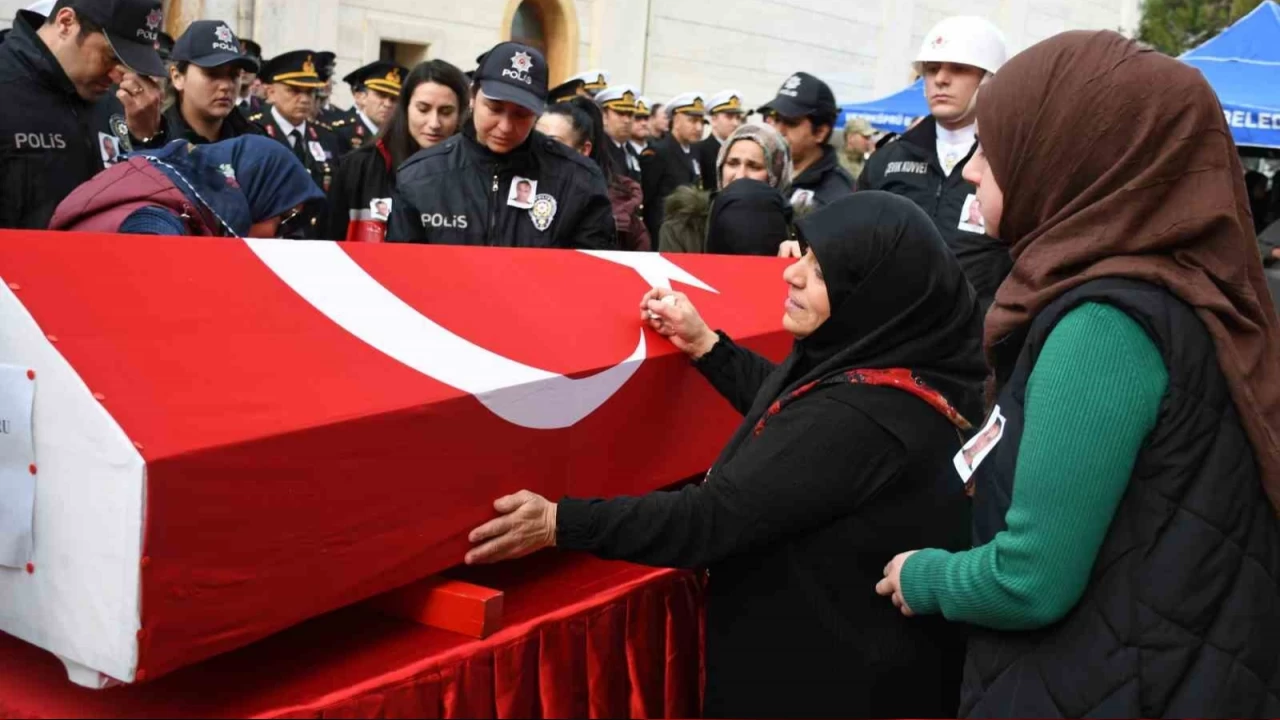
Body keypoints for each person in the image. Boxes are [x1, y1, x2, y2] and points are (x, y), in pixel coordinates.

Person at [874, 31, 1280, 718]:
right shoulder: (1179, 287)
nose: (972, 171)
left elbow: (1029, 580)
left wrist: (925, 576)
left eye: (995, 148)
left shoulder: (1103, 326)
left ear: (1070, 160)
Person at [464, 192, 987, 718]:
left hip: (823, 682)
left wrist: (558, 522)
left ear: (870, 297)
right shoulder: (901, 366)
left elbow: (708, 519)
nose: (792, 275)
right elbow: (795, 413)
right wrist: (707, 346)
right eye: (803, 255)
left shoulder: (863, 421)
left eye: (820, 273)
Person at [387, 42, 616, 249]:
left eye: (521, 114)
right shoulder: (419, 177)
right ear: (473, 97)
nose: (505, 127)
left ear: (538, 113)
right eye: (494, 109)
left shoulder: (579, 180)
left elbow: (594, 273)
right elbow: (401, 271)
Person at [858, 16, 1010, 312]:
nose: (940, 79)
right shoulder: (887, 158)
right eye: (932, 68)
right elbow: (849, 238)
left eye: (959, 68)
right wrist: (802, 244)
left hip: (978, 333)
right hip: (889, 327)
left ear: (990, 78)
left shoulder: (1010, 163)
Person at [0, 0, 167, 229]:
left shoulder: (116, 99)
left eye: (129, 64)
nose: (117, 76)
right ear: (66, 22)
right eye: (111, 57)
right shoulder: (7, 86)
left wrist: (147, 139)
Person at [49, 135, 323, 237]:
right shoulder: (156, 225)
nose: (280, 236)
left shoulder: (184, 205)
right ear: (258, 197)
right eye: (286, 218)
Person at [325, 59, 469, 242]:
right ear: (405, 108)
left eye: (446, 112)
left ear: (460, 114)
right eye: (423, 109)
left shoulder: (473, 174)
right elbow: (326, 244)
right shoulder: (358, 168)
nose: (434, 123)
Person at [659, 122, 793, 254]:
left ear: (776, 174)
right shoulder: (684, 228)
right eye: (732, 163)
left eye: (754, 166)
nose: (740, 175)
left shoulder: (797, 232)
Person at [538, 95, 650, 251]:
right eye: (535, 139)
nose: (540, 148)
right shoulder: (517, 189)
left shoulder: (620, 210)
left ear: (584, 149)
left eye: (553, 142)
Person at [248, 49, 341, 236]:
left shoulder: (327, 137)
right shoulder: (252, 132)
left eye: (310, 92)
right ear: (271, 92)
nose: (304, 99)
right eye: (294, 90)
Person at [758, 72, 854, 210]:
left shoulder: (837, 196)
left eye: (791, 122)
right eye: (776, 119)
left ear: (820, 132)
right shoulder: (764, 173)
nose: (778, 130)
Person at [164, 21, 264, 145]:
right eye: (213, 74)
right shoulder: (152, 143)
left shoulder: (255, 143)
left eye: (234, 75)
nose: (226, 86)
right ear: (177, 77)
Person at [640, 92, 705, 241]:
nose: (699, 127)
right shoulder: (658, 152)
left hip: (689, 232)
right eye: (692, 121)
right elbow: (648, 199)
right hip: (663, 233)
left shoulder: (695, 150)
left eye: (701, 122)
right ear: (676, 120)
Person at [330, 61, 405, 154]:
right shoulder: (341, 133)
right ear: (362, 97)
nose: (387, 104)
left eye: (394, 99)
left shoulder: (398, 137)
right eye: (381, 95)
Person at [696, 89, 746, 190]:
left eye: (737, 118)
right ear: (714, 120)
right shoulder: (700, 151)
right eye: (729, 117)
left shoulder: (740, 150)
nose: (735, 123)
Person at [594, 84, 641, 182]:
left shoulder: (630, 150)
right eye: (620, 113)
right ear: (604, 116)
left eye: (630, 114)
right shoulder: (598, 149)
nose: (627, 120)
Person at [236, 38, 263, 114]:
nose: (243, 71)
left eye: (248, 66)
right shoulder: (217, 106)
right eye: (238, 66)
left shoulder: (265, 107)